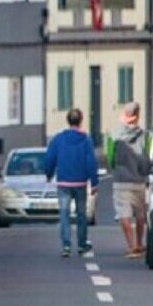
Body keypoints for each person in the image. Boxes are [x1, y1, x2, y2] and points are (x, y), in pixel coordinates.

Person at [45, 108, 99, 257]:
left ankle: (66, 246)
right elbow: (91, 162)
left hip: (63, 183)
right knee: (81, 214)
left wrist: (49, 174)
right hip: (80, 183)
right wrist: (94, 182)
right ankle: (81, 244)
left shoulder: (58, 139)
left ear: (68, 121)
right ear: (81, 120)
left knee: (64, 214)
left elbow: (50, 158)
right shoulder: (86, 139)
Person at [104, 102, 152, 259]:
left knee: (123, 213)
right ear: (137, 117)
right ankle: (140, 243)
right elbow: (148, 155)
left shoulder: (113, 134)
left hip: (121, 180)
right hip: (139, 180)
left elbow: (110, 157)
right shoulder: (145, 135)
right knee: (140, 214)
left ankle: (131, 245)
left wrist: (116, 168)